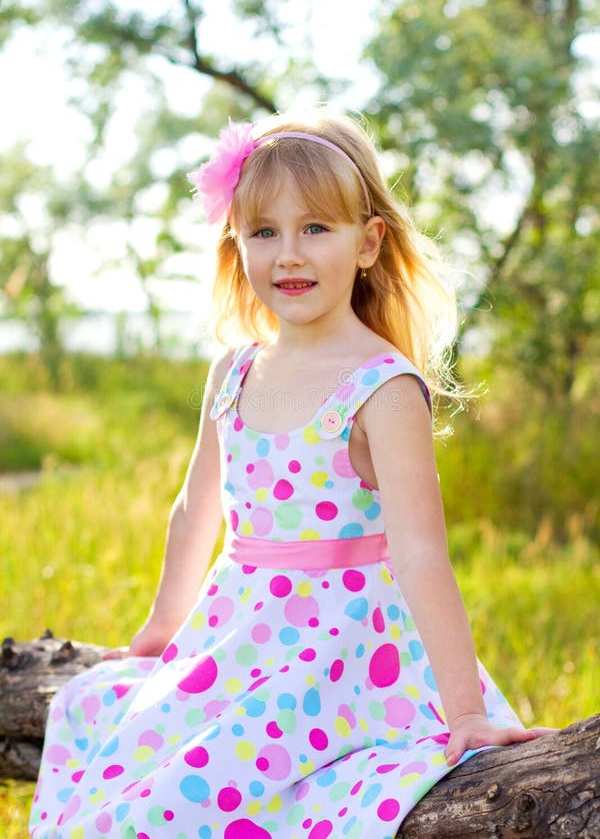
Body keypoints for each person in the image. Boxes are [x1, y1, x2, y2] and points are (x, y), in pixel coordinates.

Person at [30, 110, 548, 839]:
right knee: (91, 719)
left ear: (368, 242)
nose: (289, 254)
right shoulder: (234, 371)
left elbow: (423, 554)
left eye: (316, 229)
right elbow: (194, 511)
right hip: (238, 633)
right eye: (264, 232)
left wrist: (465, 711)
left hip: (341, 653)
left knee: (176, 801)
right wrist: (161, 630)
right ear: (235, 243)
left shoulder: (382, 387)